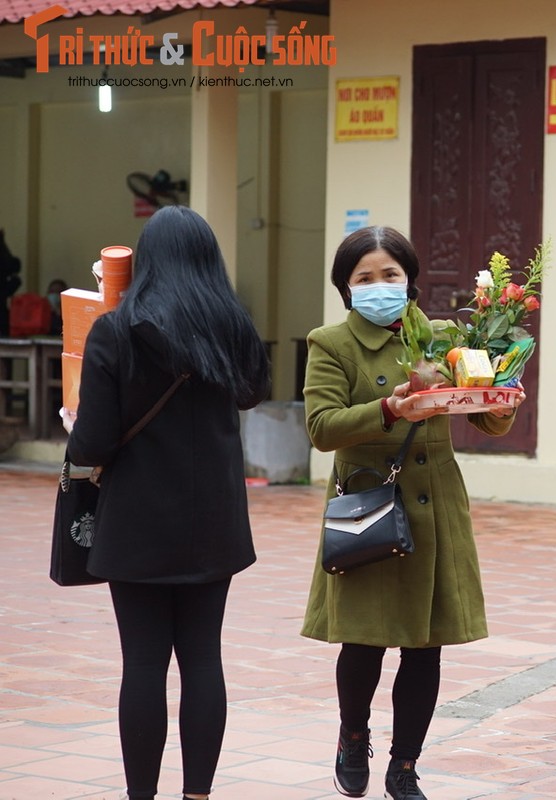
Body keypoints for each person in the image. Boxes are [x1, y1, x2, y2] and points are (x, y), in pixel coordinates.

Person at [301, 225, 526, 800]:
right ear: (346, 289)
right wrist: (387, 408)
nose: (380, 286)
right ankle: (354, 736)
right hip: (370, 503)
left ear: (410, 281)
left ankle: (405, 766)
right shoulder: (330, 343)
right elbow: (322, 427)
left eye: (391, 275)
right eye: (365, 278)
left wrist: (504, 397)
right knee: (364, 641)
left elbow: (481, 415)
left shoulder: (445, 335)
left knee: (426, 645)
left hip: (435, 506)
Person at [63, 205, 271, 799]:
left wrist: (75, 420)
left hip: (135, 523)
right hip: (214, 520)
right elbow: (255, 393)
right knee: (204, 659)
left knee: (145, 665)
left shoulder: (115, 330)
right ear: (210, 261)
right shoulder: (231, 326)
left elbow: (93, 445)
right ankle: (198, 795)